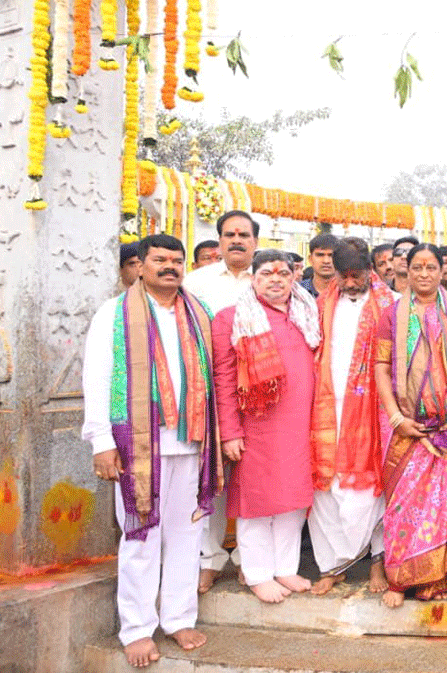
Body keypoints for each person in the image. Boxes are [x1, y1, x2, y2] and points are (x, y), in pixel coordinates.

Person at [82, 234, 222, 668]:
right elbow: (97, 376)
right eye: (160, 260)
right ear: (139, 265)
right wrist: (101, 440)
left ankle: (179, 617)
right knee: (141, 536)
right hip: (140, 444)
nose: (170, 267)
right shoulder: (115, 313)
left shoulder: (199, 312)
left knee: (187, 534)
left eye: (177, 261)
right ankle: (137, 629)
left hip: (192, 440)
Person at [374, 245, 447, 607]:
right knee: (405, 506)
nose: (424, 274)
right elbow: (380, 366)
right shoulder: (391, 315)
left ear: (443, 272)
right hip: (408, 427)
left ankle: (444, 575)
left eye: (431, 267)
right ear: (405, 271)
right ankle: (405, 576)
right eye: (417, 267)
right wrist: (397, 418)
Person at [212, 249, 320, 604]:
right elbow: (223, 380)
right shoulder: (233, 319)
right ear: (253, 279)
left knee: (292, 500)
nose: (276, 279)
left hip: (300, 425)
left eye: (283, 273)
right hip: (255, 427)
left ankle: (285, 568)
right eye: (267, 273)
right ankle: (258, 573)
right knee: (257, 502)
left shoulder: (308, 316)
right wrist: (230, 432)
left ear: (293, 278)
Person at [308, 239, 397, 596]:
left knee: (371, 488)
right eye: (343, 276)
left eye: (356, 275)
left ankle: (377, 564)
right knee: (325, 489)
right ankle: (332, 567)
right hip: (325, 407)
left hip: (371, 410)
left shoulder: (391, 305)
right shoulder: (319, 305)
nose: (349, 283)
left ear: (369, 271)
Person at [183, 209, 257, 594]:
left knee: (250, 477)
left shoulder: (269, 279)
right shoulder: (196, 283)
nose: (237, 241)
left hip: (260, 397)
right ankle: (208, 560)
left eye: (244, 234)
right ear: (220, 241)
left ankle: (249, 558)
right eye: (229, 234)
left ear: (255, 242)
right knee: (210, 479)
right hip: (209, 392)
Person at [301, 233, 340, 298]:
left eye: (331, 255)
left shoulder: (348, 292)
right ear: (310, 259)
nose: (326, 261)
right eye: (320, 255)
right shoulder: (297, 292)